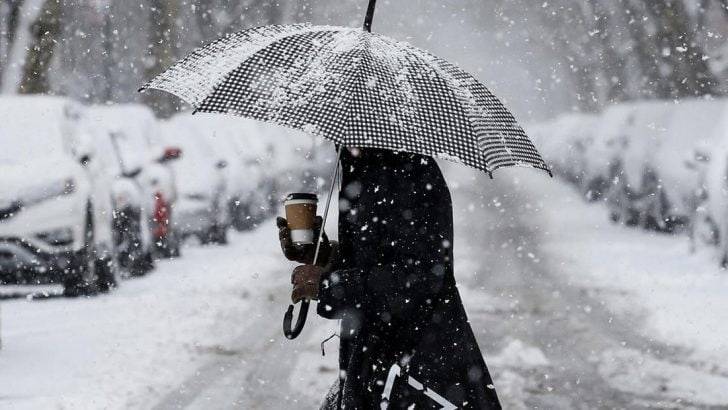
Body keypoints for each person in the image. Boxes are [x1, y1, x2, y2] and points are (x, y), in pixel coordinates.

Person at [277, 147, 501, 409]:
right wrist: (321, 255)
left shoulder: (407, 172)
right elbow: (375, 257)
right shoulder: (365, 165)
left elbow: (419, 277)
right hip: (377, 363)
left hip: (414, 366)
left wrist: (330, 286)